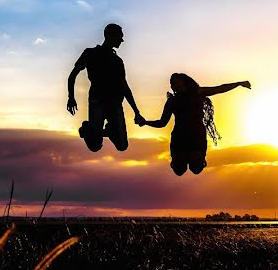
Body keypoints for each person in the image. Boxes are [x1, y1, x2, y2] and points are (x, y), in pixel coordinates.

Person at [137, 73, 250, 175]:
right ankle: (182, 161)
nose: (173, 85)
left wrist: (239, 84)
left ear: (184, 82)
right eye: (171, 83)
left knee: (196, 169)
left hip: (196, 136)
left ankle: (195, 160)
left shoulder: (198, 93)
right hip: (179, 137)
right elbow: (162, 123)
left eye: (176, 82)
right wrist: (146, 122)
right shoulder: (172, 101)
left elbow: (219, 89)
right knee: (179, 171)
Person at [67, 23, 142, 152]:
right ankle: (87, 129)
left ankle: (109, 130)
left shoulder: (117, 61)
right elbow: (72, 75)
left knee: (122, 146)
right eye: (120, 36)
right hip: (98, 101)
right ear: (110, 35)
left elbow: (125, 87)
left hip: (115, 103)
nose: (122, 40)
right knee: (95, 146)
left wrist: (136, 112)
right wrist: (71, 98)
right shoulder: (90, 53)